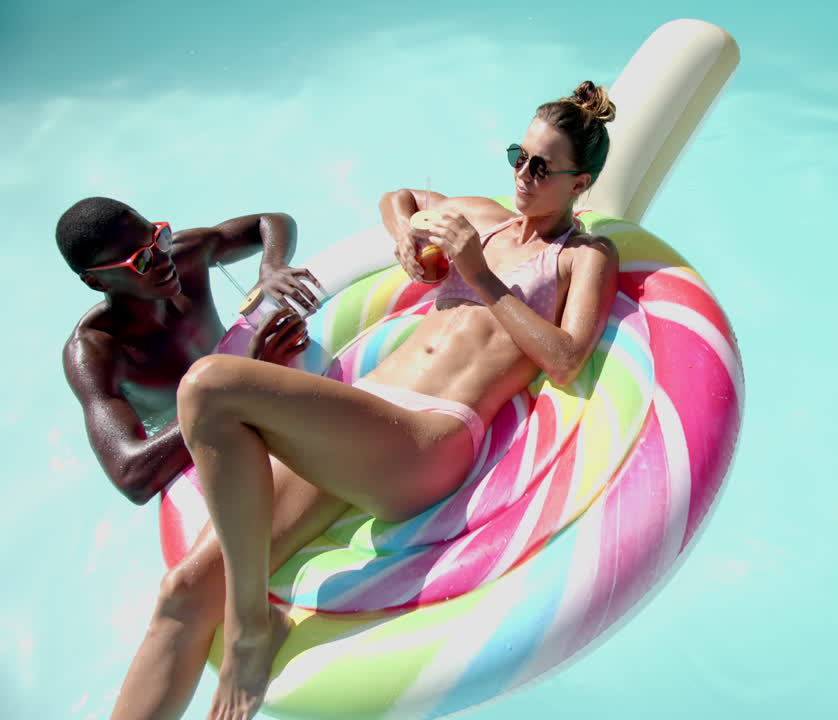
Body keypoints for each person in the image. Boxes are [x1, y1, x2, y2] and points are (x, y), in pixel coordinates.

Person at [109, 81, 620, 720]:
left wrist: (481, 276)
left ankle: (250, 626)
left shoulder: (583, 256)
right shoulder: (480, 217)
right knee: (182, 591)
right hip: (361, 417)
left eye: (542, 167)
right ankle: (242, 622)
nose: (522, 174)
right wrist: (406, 234)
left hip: (427, 439)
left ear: (580, 184)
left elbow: (567, 359)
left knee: (210, 383)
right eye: (518, 154)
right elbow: (397, 196)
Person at [59, 198, 323, 505]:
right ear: (96, 281)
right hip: (195, 440)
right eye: (141, 261)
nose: (162, 260)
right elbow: (131, 476)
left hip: (238, 383)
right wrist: (242, 379)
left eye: (159, 238)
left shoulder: (184, 257)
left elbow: (269, 221)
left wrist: (271, 266)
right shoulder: (95, 353)